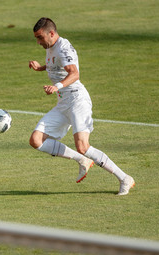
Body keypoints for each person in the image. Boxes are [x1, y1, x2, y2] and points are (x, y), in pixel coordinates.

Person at [28, 18, 135, 195]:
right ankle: (82, 161)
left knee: (83, 146)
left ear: (52, 33)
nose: (38, 42)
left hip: (77, 101)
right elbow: (56, 63)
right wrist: (40, 68)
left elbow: (74, 73)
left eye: (40, 38)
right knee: (36, 140)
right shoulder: (51, 47)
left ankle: (125, 178)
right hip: (63, 103)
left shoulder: (63, 47)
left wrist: (57, 86)